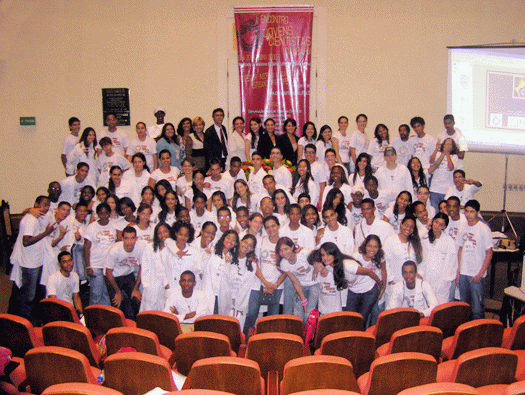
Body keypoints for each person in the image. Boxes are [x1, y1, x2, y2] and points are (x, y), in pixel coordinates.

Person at [10, 196, 54, 319]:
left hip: (34, 261)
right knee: (28, 296)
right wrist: (46, 233)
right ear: (36, 204)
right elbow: (26, 241)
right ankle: (23, 323)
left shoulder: (34, 218)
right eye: (44, 205)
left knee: (31, 294)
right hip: (30, 264)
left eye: (48, 206)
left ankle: (25, 320)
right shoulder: (31, 220)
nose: (46, 208)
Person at [335, 238, 384, 326]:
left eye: (375, 247)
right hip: (354, 291)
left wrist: (381, 286)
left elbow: (383, 270)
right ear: (365, 246)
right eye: (370, 246)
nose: (372, 249)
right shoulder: (356, 256)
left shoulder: (379, 256)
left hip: (369, 290)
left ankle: (362, 337)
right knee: (350, 318)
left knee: (363, 319)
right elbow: (368, 272)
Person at [457, 200, 493, 320]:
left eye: (472, 211)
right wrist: (458, 271)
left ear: (477, 212)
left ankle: (478, 334)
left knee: (477, 308)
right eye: (466, 211)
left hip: (476, 274)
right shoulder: (462, 226)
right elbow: (460, 249)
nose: (468, 214)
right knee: (463, 306)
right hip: (463, 273)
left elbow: (489, 252)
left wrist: (481, 273)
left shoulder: (483, 228)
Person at [217, 234, 259, 328]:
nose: (246, 246)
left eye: (250, 245)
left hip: (240, 303)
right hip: (225, 300)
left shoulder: (252, 265)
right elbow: (224, 282)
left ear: (252, 249)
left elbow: (245, 288)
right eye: (245, 242)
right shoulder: (228, 258)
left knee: (236, 331)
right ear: (240, 242)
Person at [104, 226, 145, 320]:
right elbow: (108, 273)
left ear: (136, 239)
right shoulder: (114, 250)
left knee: (137, 300)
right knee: (118, 304)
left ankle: (136, 325)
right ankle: (119, 329)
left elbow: (142, 268)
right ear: (122, 239)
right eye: (126, 238)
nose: (129, 242)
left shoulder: (141, 247)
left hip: (128, 275)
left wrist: (136, 288)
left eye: (132, 238)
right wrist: (118, 292)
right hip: (113, 277)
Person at [276, 237, 319, 322]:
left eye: (286, 249)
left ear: (292, 247)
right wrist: (303, 300)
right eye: (281, 250)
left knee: (308, 314)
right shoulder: (283, 263)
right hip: (301, 286)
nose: (284, 253)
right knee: (298, 315)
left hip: (314, 285)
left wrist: (316, 269)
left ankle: (309, 335)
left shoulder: (303, 253)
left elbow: (318, 258)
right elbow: (295, 281)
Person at [420, 213, 457, 304]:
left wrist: (445, 279)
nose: (437, 226)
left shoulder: (448, 241)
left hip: (442, 280)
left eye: (441, 224)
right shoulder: (424, 237)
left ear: (444, 227)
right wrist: (426, 228)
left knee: (441, 307)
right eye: (436, 222)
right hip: (425, 277)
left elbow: (452, 262)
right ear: (432, 221)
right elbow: (415, 242)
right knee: (425, 305)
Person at [83, 203, 116, 306]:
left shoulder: (114, 225)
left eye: (106, 213)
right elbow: (86, 248)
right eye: (101, 213)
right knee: (96, 294)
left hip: (109, 265)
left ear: (109, 214)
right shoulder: (92, 227)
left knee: (107, 293)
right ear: (97, 214)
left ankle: (105, 318)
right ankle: (93, 318)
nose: (104, 216)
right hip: (95, 265)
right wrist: (88, 266)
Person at [203, 229, 239, 313]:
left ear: (236, 244)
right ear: (223, 239)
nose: (230, 241)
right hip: (209, 291)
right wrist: (206, 255)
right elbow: (200, 269)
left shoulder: (233, 260)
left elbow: (232, 280)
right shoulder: (212, 251)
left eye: (233, 240)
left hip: (222, 295)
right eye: (228, 238)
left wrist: (227, 264)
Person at [46, 251, 82, 315]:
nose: (69, 264)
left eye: (70, 260)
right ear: (59, 264)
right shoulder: (52, 278)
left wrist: (81, 315)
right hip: (56, 312)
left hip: (70, 310)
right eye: (65, 262)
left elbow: (76, 297)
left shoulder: (75, 276)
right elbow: (53, 301)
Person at [429, 138, 458, 211]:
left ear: (453, 146)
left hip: (446, 189)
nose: (447, 146)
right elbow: (431, 161)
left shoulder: (454, 156)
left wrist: (447, 154)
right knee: (434, 210)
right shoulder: (438, 153)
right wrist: (437, 150)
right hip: (435, 188)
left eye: (450, 144)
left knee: (446, 211)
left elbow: (451, 168)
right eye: (446, 144)